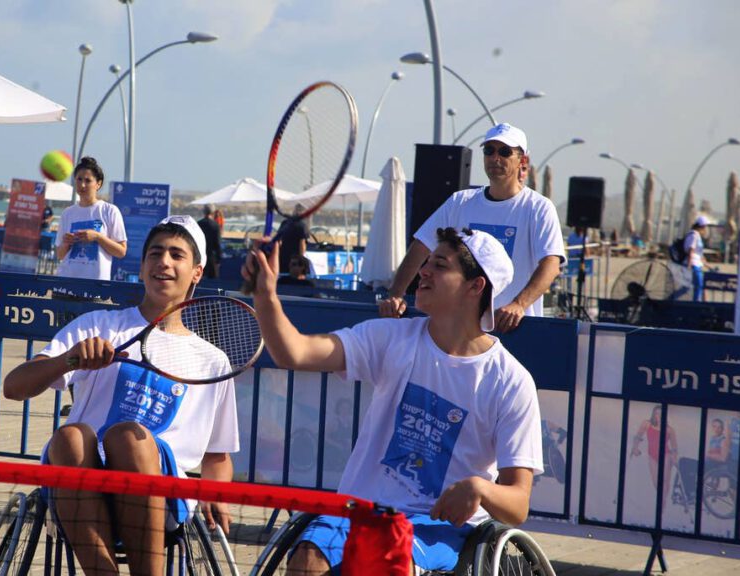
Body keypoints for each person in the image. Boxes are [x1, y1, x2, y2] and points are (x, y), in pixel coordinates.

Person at [242, 227, 543, 573]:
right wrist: (266, 295)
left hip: (439, 532)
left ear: (476, 287)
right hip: (360, 510)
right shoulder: (390, 338)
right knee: (307, 561)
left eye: (440, 265)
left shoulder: (510, 381)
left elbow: (518, 504)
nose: (423, 271)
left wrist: (479, 489)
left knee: (382, 560)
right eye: (426, 262)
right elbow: (293, 353)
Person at [4, 216, 238, 575]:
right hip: (80, 487)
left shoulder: (212, 361)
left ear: (196, 272)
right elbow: (14, 387)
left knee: (129, 436)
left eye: (177, 255)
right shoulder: (98, 325)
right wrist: (69, 360)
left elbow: (217, 456)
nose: (164, 262)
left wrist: (216, 495)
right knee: (69, 435)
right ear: (142, 267)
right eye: (156, 253)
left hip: (164, 500)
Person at [378, 123, 565, 333]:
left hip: (513, 329)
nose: (495, 158)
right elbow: (421, 246)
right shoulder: (460, 202)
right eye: (489, 150)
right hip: (461, 331)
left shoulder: (538, 208)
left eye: (504, 152)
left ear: (522, 161)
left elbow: (551, 264)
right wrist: (395, 294)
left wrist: (518, 304)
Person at [54, 156, 128, 280]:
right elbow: (60, 255)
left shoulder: (109, 211)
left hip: (96, 287)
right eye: (79, 179)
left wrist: (97, 237)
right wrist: (67, 242)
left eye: (88, 181)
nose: (82, 185)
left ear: (98, 184)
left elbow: (121, 251)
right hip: (66, 282)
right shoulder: (67, 213)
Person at [630, 405, 678, 507]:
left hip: (666, 455)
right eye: (657, 413)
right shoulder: (646, 424)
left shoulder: (669, 430)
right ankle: (663, 498)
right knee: (656, 482)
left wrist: (674, 457)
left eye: (661, 414)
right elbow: (638, 435)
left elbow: (674, 447)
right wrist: (635, 447)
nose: (659, 416)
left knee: (665, 479)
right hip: (652, 455)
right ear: (654, 414)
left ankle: (662, 503)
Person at [277, 203, 310, 272]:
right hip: (295, 259)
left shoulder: (285, 223)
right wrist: (301, 258)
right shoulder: (302, 226)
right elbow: (302, 244)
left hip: (283, 256)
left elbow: (278, 240)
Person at [684, 216, 710, 301]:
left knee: (700, 286)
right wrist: (689, 264)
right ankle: (696, 303)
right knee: (698, 285)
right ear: (702, 226)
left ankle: (699, 301)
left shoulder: (697, 235)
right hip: (694, 265)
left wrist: (708, 266)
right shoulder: (694, 235)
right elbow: (691, 250)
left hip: (697, 264)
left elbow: (699, 254)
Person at [197, 203, 222, 279]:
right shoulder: (215, 225)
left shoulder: (198, 224)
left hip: (199, 257)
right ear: (213, 212)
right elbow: (217, 244)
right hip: (211, 258)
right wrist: (218, 259)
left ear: (204, 212)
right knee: (212, 283)